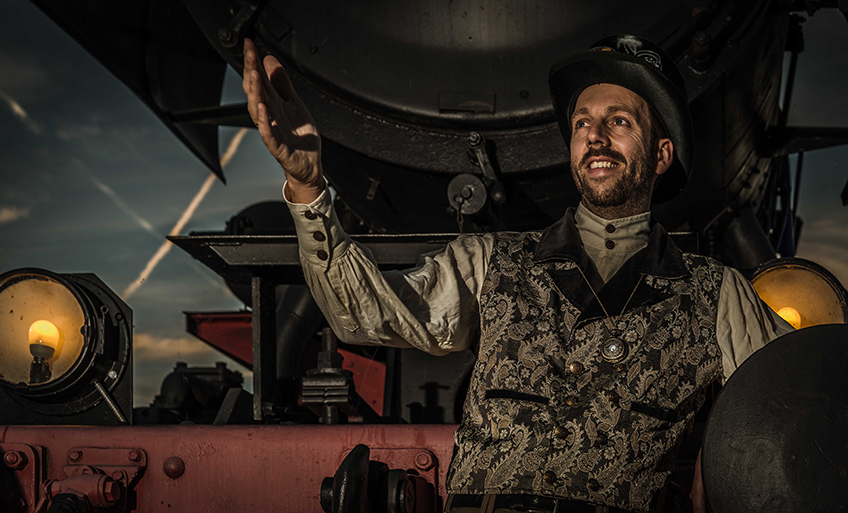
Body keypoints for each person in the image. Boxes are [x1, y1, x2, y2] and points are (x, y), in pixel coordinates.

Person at [242, 34, 792, 513]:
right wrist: (311, 189)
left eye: (619, 122)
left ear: (661, 153)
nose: (595, 137)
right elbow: (364, 316)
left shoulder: (717, 294)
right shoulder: (489, 261)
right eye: (583, 124)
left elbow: (800, 407)